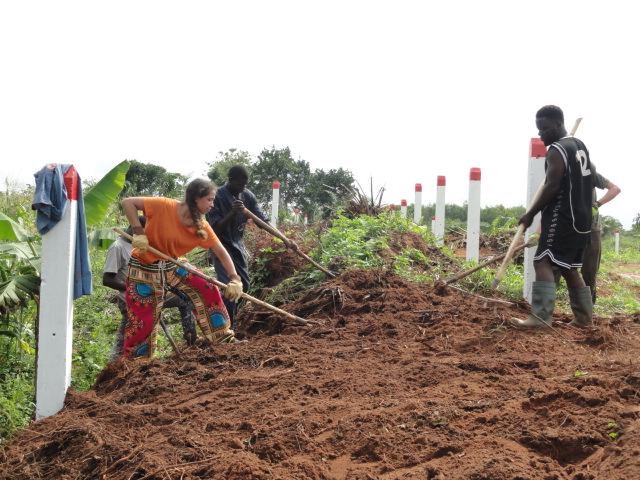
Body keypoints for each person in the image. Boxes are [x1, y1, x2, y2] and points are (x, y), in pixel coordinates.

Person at [121, 178, 245, 359]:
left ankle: (222, 339)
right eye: (209, 200)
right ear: (196, 198)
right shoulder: (164, 205)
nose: (213, 204)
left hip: (172, 264)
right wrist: (139, 232)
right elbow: (128, 202)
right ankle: (136, 364)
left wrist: (235, 278)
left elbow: (221, 252)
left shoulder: (202, 227)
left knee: (207, 287)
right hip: (143, 268)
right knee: (144, 321)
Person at [511, 105, 594, 329]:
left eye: (545, 129)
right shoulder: (579, 145)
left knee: (542, 260)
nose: (541, 134)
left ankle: (540, 319)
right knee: (568, 267)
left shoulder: (557, 149)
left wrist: (530, 213)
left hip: (563, 216)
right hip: (583, 219)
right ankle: (584, 319)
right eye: (539, 130)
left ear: (558, 125)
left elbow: (552, 186)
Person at [103, 217, 198, 362]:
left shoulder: (141, 245)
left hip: (153, 292)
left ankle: (191, 341)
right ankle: (116, 366)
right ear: (133, 228)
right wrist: (136, 289)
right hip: (131, 298)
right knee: (129, 333)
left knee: (185, 298)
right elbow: (107, 279)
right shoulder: (118, 247)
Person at [204, 165, 270, 326]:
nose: (242, 188)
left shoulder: (247, 196)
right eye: (239, 184)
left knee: (244, 285)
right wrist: (233, 213)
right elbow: (215, 228)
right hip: (220, 245)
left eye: (244, 184)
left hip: (237, 244)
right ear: (231, 180)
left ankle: (232, 317)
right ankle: (227, 328)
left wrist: (284, 238)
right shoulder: (217, 196)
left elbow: (261, 220)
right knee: (229, 287)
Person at [551, 166, 621, 305]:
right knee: (555, 268)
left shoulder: (590, 173)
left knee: (589, 273)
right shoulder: (561, 175)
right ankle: (546, 311)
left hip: (590, 229)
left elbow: (615, 189)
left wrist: (596, 204)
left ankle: (586, 314)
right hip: (566, 229)